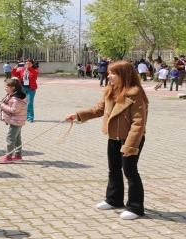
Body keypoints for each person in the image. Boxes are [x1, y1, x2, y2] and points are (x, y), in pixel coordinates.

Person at [64, 60, 149, 220]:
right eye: (109, 73)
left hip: (131, 138)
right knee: (114, 169)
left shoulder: (135, 93)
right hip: (113, 137)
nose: (108, 76)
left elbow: (139, 122)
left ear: (124, 75)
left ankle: (135, 208)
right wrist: (78, 115)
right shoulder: (111, 89)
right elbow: (99, 109)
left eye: (113, 73)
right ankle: (114, 199)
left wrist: (130, 146)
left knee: (130, 171)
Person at [0, 79, 28, 164]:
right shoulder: (12, 96)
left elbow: (14, 110)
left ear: (13, 88)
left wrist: (2, 105)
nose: (5, 88)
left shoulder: (16, 99)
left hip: (16, 120)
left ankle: (8, 156)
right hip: (17, 120)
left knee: (10, 137)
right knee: (17, 138)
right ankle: (18, 155)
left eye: (7, 87)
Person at [11, 58, 39, 122]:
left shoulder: (34, 70)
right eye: (26, 63)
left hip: (31, 89)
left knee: (29, 103)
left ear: (32, 64)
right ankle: (23, 116)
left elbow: (36, 74)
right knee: (21, 102)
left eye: (29, 63)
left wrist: (29, 68)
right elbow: (14, 73)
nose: (28, 64)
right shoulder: (22, 70)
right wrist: (14, 68)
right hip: (23, 88)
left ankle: (30, 117)